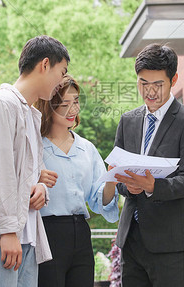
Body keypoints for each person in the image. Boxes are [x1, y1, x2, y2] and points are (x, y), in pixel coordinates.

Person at [0, 35, 70, 287]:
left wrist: (40, 188)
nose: (62, 81)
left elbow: (32, 173)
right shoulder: (2, 105)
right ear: (45, 65)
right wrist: (7, 231)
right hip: (1, 239)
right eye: (62, 71)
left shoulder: (30, 114)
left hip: (27, 236)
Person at [113, 43, 184, 287]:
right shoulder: (127, 121)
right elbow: (117, 175)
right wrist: (128, 187)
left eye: (158, 84)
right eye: (143, 83)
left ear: (173, 79)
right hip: (131, 240)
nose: (150, 91)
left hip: (170, 246)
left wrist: (153, 186)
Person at [34, 75, 119, 287]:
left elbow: (100, 201)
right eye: (65, 104)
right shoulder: (35, 147)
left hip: (81, 234)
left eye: (76, 101)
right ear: (49, 106)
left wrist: (112, 179)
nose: (73, 109)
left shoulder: (86, 149)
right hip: (47, 234)